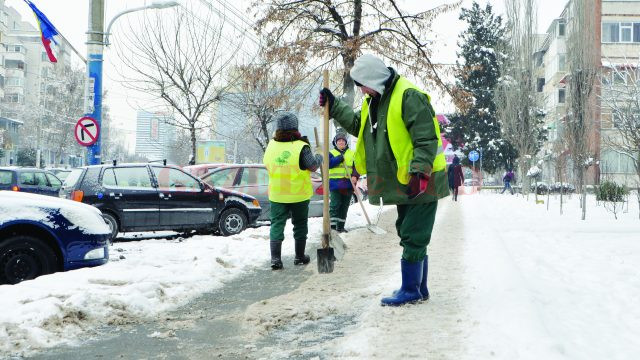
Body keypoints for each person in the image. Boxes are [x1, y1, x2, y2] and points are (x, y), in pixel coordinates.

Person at [318, 54, 449, 306]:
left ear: (373, 80)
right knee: (409, 231)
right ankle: (419, 288)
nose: (360, 90)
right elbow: (359, 125)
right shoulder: (375, 101)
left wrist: (420, 172)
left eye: (361, 84)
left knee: (414, 233)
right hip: (405, 180)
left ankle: (411, 290)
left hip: (422, 179)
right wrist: (334, 106)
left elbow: (426, 138)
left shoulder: (409, 96)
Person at [263, 112, 323, 270]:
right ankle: (300, 256)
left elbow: (267, 164)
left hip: (277, 194)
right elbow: (313, 166)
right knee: (300, 224)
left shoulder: (271, 145)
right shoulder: (301, 147)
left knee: (277, 225)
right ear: (295, 127)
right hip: (298, 194)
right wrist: (320, 156)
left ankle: (275, 260)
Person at [328, 132, 359, 233]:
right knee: (334, 205)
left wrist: (355, 176)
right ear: (335, 142)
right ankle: (332, 228)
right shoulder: (331, 153)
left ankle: (341, 227)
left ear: (346, 142)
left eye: (343, 141)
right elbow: (329, 164)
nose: (341, 142)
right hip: (335, 184)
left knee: (344, 206)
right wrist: (339, 158)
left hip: (348, 184)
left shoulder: (352, 153)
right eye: (339, 141)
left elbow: (357, 167)